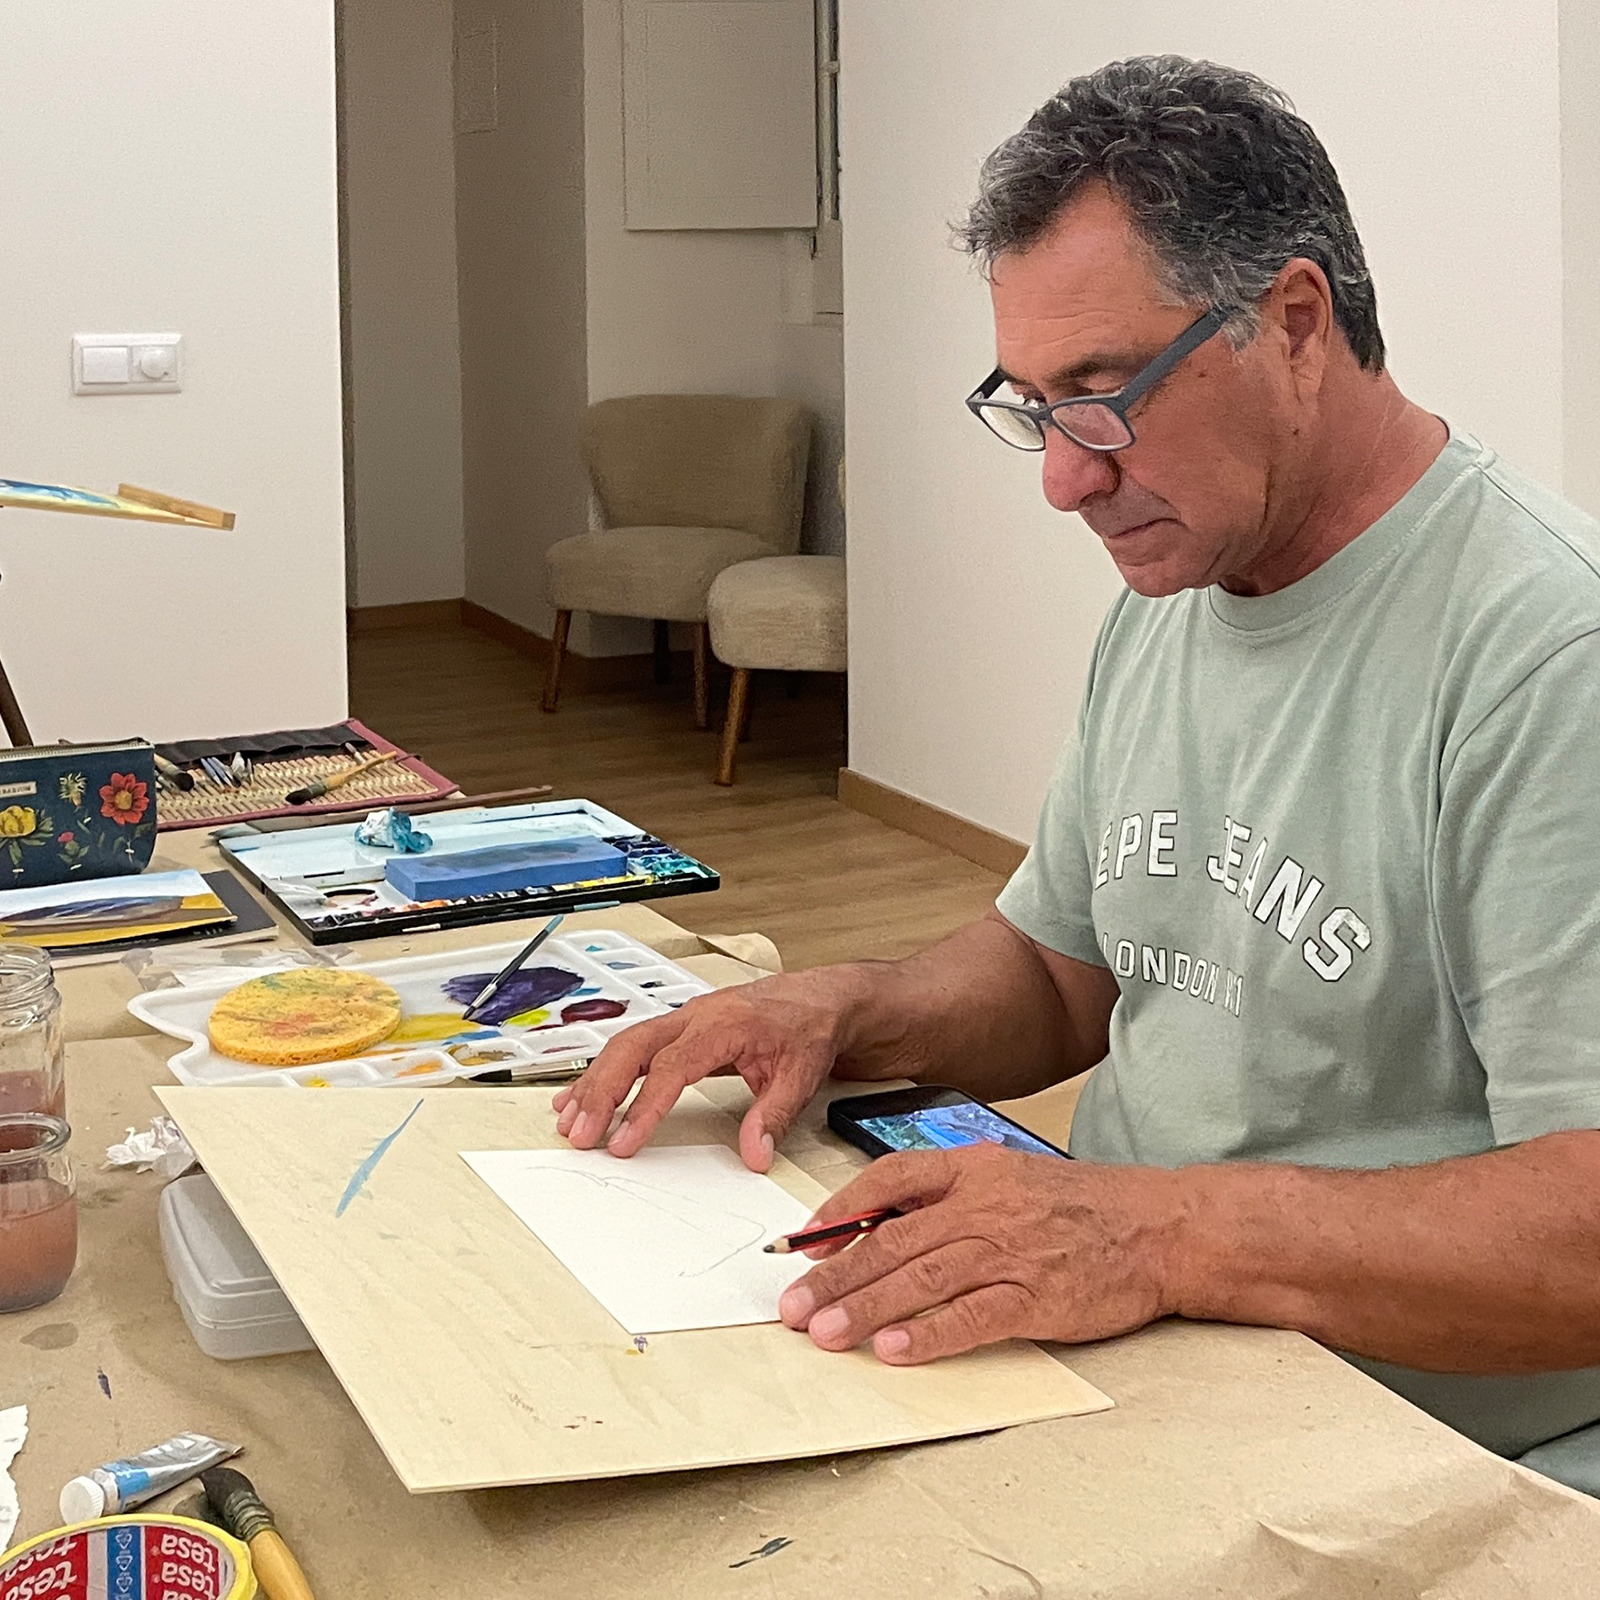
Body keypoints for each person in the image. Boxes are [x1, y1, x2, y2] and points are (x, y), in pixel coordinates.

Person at [554, 55, 1600, 1487]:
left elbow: (1585, 1232)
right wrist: (849, 1010)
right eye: (1034, 403)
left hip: (1405, 1446)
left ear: (1295, 321)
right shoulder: (1178, 591)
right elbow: (1063, 976)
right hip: (1137, 1346)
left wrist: (1155, 1230)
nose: (1063, 476)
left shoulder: (1550, 659)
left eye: (1107, 393)